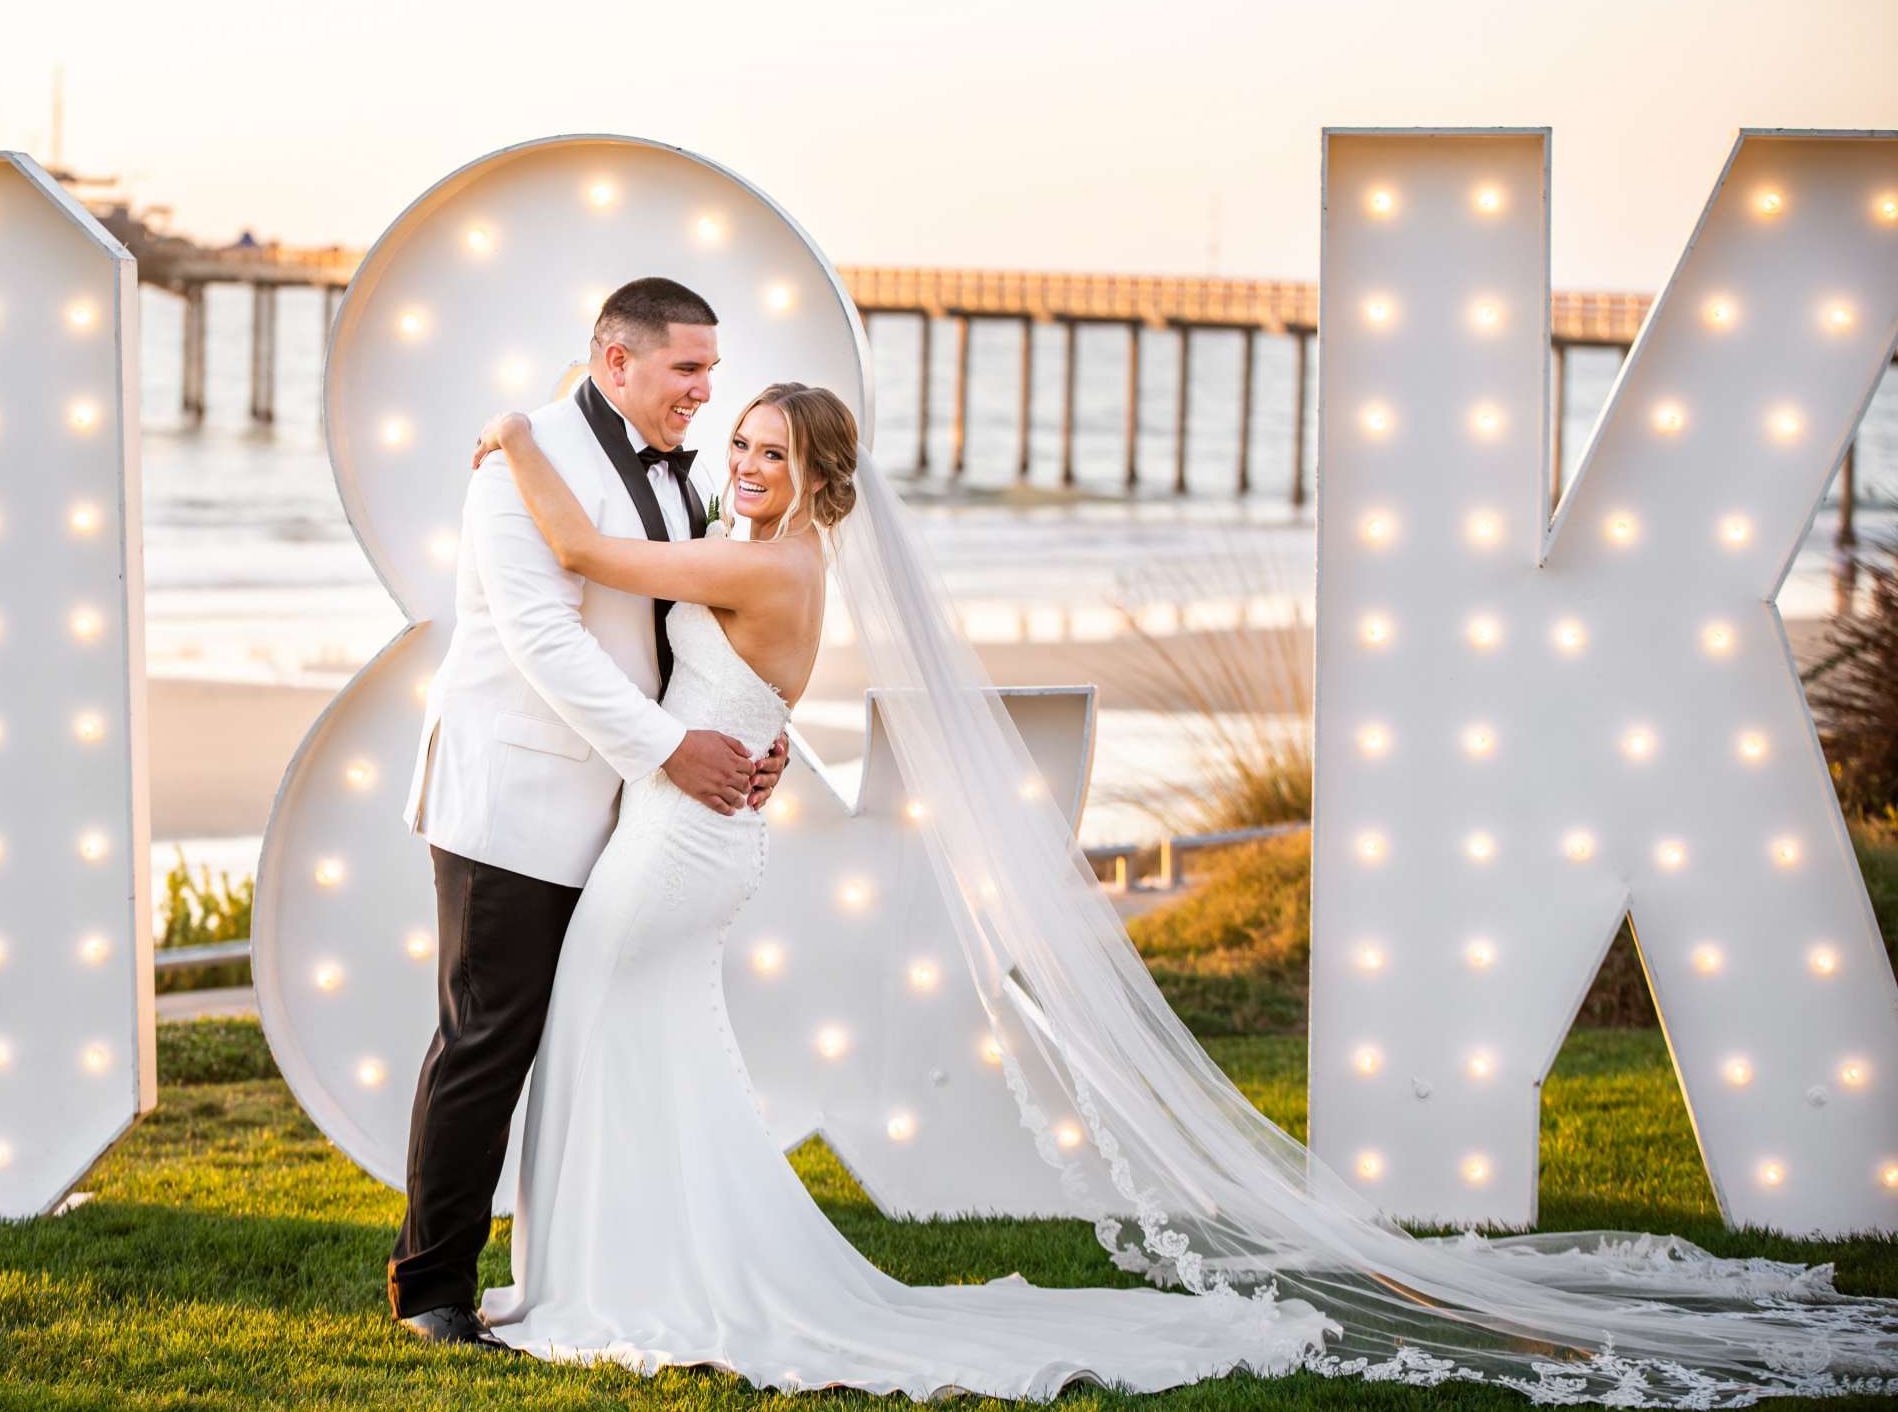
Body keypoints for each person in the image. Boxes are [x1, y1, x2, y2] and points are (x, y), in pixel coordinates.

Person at [460, 378, 1898, 1403]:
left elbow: (584, 552)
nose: (747, 460)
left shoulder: (763, 564)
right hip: (700, 831)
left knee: (596, 1018)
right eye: (741, 443)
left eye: (771, 447)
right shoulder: (774, 554)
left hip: (684, 840)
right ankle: (623, 1266)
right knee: (645, 1040)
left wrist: (517, 437)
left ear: (819, 474)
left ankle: (622, 1276)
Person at [387, 277, 789, 1345]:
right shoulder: (521, 467)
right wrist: (671, 750)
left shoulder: (675, 479)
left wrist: (750, 730)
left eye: (712, 368)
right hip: (512, 796)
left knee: (597, 1042)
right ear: (617, 361)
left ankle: (600, 1267)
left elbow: (675, 636)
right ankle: (430, 1287)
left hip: (626, 814)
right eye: (687, 369)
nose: (706, 390)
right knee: (489, 1042)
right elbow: (543, 639)